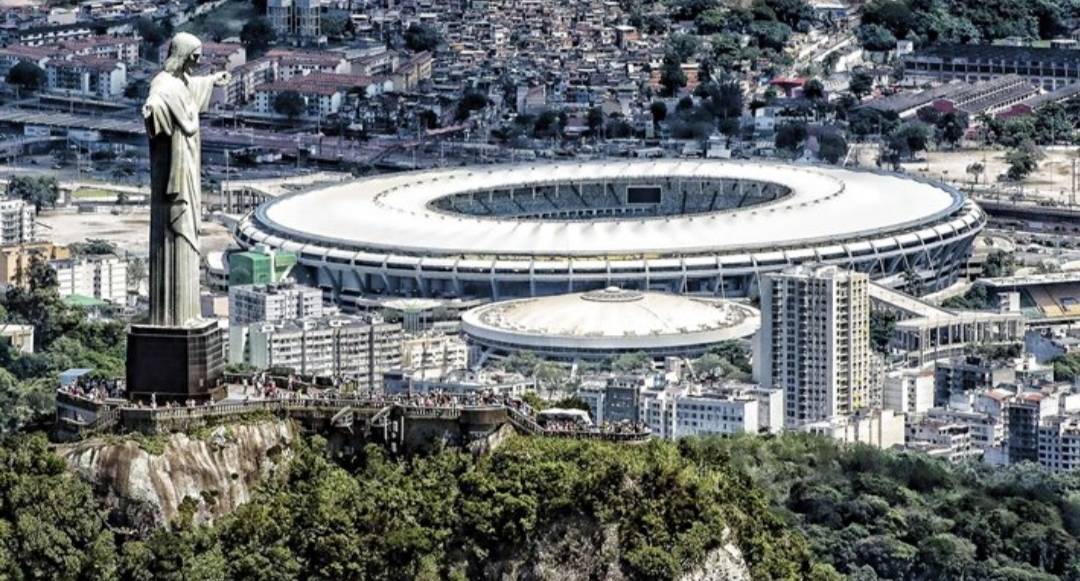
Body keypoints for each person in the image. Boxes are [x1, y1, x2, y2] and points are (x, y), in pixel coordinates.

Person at [143, 32, 231, 327]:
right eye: (194, 56)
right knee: (174, 238)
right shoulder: (163, 84)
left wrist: (212, 80)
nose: (197, 62)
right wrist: (152, 110)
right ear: (181, 54)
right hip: (173, 173)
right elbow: (157, 99)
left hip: (189, 168)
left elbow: (189, 87)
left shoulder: (181, 82)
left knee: (189, 238)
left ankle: (188, 314)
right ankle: (172, 318)